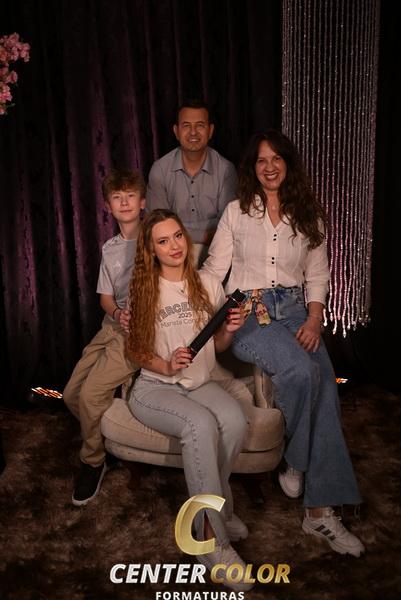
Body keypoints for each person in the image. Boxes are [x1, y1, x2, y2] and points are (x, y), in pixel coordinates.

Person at [201, 130, 365, 557]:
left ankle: (319, 513)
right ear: (252, 169)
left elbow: (318, 275)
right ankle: (297, 460)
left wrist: (314, 319)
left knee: (325, 386)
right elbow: (213, 270)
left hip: (295, 311)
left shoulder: (308, 215)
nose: (269, 166)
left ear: (288, 164)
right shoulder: (237, 212)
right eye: (261, 160)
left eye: (276, 159)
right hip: (249, 313)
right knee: (301, 370)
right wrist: (187, 304)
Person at [125, 209, 252, 592]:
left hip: (199, 383)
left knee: (235, 422)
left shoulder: (208, 283)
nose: (174, 246)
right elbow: (135, 350)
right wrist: (165, 364)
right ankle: (212, 541)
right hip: (155, 388)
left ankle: (219, 510)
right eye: (162, 241)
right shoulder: (145, 288)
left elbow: (219, 345)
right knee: (200, 425)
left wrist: (229, 329)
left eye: (177, 236)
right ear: (151, 250)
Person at [63, 168, 145, 506]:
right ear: (108, 206)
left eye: (130, 196)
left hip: (137, 333)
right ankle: (107, 444)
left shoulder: (154, 239)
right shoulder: (109, 247)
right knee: (71, 394)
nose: (124, 202)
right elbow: (105, 298)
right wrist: (117, 313)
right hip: (111, 326)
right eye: (117, 197)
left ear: (143, 202)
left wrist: (134, 318)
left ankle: (93, 461)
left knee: (91, 396)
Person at [146, 99, 237, 266]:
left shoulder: (226, 170)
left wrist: (177, 230)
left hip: (216, 260)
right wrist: (205, 235)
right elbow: (157, 225)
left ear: (210, 131)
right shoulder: (160, 170)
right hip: (171, 263)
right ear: (176, 131)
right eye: (186, 126)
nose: (193, 132)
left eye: (200, 125)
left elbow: (227, 226)